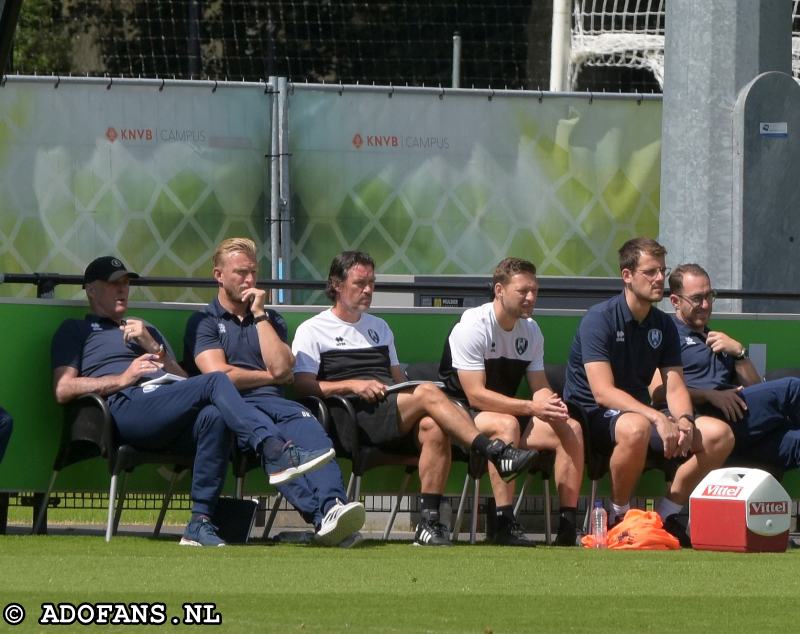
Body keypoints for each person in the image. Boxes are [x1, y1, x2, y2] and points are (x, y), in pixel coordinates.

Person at [51, 256, 334, 547]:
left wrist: (155, 348)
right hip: (124, 407)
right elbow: (63, 388)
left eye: (125, 283)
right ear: (92, 290)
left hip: (162, 403)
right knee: (216, 379)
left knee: (214, 416)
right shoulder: (76, 330)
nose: (122, 290)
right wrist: (123, 378)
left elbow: (185, 382)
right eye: (113, 284)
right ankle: (272, 447)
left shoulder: (145, 330)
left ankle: (201, 522)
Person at [291, 251, 539, 547]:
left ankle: (429, 523)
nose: (368, 290)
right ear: (337, 285)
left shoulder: (379, 327)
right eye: (360, 283)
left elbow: (398, 381)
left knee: (433, 425)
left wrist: (409, 395)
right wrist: (353, 385)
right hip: (352, 416)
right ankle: (494, 451)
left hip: (388, 407)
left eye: (372, 282)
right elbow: (303, 385)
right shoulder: (313, 329)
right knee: (427, 392)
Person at [184, 238, 365, 546]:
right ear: (219, 275)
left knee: (310, 427)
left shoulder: (270, 319)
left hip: (275, 402)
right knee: (271, 438)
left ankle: (334, 507)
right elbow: (219, 376)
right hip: (233, 407)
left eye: (253, 272)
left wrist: (260, 317)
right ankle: (321, 519)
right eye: (240, 272)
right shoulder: (205, 321)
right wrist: (268, 375)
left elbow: (283, 371)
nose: (249, 280)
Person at [562, 238, 733, 546]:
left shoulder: (662, 324)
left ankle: (665, 516)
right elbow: (603, 393)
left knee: (719, 434)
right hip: (592, 417)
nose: (659, 280)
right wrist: (657, 417)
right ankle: (620, 519)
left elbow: (675, 384)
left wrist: (684, 419)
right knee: (637, 427)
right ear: (627, 276)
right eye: (651, 272)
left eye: (662, 272)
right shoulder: (599, 319)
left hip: (638, 413)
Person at [439, 257, 584, 546]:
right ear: (499, 290)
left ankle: (568, 526)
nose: (531, 297)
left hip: (508, 411)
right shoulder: (473, 326)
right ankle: (504, 522)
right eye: (523, 291)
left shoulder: (531, 330)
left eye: (534, 291)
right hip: (463, 416)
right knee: (506, 426)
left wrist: (551, 406)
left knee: (571, 428)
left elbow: (539, 386)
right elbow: (475, 395)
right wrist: (532, 407)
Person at [655, 263, 800, 472]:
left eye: (709, 296)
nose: (705, 305)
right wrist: (708, 395)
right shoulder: (667, 336)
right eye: (697, 298)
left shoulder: (719, 340)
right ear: (676, 301)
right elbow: (658, 393)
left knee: (795, 441)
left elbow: (755, 387)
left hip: (739, 421)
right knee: (792, 389)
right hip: (703, 419)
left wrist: (739, 353)